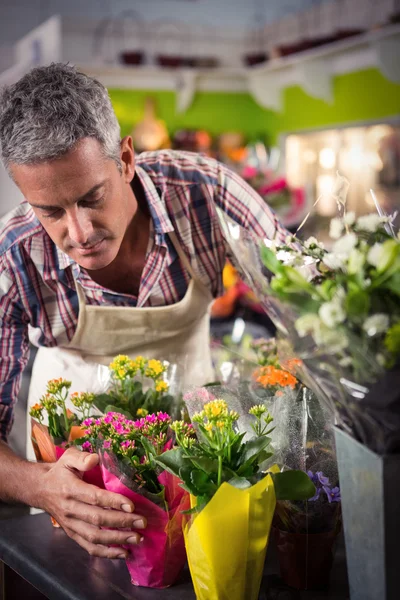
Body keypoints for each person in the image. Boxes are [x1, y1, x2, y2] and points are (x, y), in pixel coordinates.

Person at [0, 63, 288, 557]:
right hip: (80, 509)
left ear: (127, 159)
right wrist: (38, 485)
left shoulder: (206, 193)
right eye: (51, 212)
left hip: (206, 474)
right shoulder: (14, 254)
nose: (80, 232)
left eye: (93, 197)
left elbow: (310, 310)